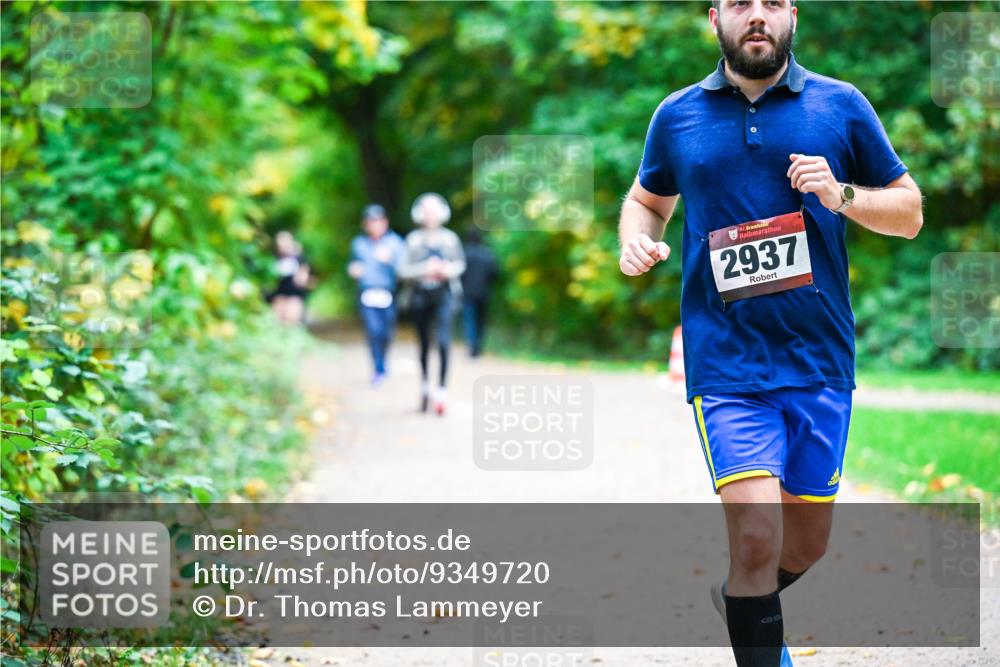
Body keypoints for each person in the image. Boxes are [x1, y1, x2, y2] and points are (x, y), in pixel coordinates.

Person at [617, 1, 923, 666]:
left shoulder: (839, 106)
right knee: (756, 538)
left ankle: (745, 602)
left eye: (774, 3)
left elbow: (909, 212)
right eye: (742, 4)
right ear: (715, 18)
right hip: (724, 359)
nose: (758, 15)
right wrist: (637, 242)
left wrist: (842, 194)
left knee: (805, 542)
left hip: (818, 358)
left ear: (792, 16)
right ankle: (757, 621)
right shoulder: (678, 115)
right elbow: (646, 200)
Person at [399, 193, 465, 415]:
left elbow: (460, 264)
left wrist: (446, 270)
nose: (431, 216)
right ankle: (425, 385)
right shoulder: (413, 240)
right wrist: (425, 269)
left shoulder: (450, 239)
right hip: (419, 297)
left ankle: (442, 390)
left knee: (444, 342)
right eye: (427, 211)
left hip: (443, 295)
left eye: (434, 211)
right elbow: (402, 270)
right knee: (424, 344)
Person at [348, 204, 405, 386]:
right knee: (373, 331)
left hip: (388, 292)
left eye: (378, 221)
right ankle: (378, 367)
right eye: (371, 222)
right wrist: (353, 270)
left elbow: (405, 269)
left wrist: (391, 261)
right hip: (367, 293)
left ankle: (383, 361)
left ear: (385, 222)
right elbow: (352, 265)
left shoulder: (395, 243)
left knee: (386, 333)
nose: (375, 225)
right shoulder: (359, 244)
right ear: (365, 224)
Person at [460, 229, 499, 358]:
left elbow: (459, 274)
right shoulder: (487, 254)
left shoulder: (464, 254)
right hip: (484, 293)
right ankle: (479, 345)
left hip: (468, 293)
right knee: (481, 320)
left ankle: (472, 344)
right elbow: (495, 274)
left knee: (470, 320)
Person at [269, 230, 311, 325]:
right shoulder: (274, 259)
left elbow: (303, 279)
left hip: (294, 295)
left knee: (292, 322)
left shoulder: (299, 258)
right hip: (279, 295)